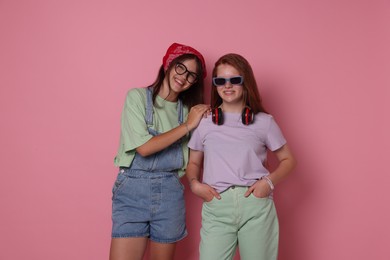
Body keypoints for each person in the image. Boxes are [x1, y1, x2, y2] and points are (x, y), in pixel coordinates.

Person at [186, 53, 297, 260]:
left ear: (245, 81)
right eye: (221, 81)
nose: (228, 86)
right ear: (215, 85)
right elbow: (193, 162)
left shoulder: (265, 122)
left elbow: (289, 161)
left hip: (255, 205)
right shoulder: (204, 122)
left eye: (235, 79)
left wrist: (268, 183)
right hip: (216, 205)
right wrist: (194, 184)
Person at [110, 43, 210, 260]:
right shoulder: (136, 97)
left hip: (170, 194)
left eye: (192, 75)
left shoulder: (188, 112)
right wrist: (187, 126)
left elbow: (197, 156)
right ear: (168, 64)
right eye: (180, 68)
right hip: (132, 193)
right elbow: (144, 148)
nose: (183, 77)